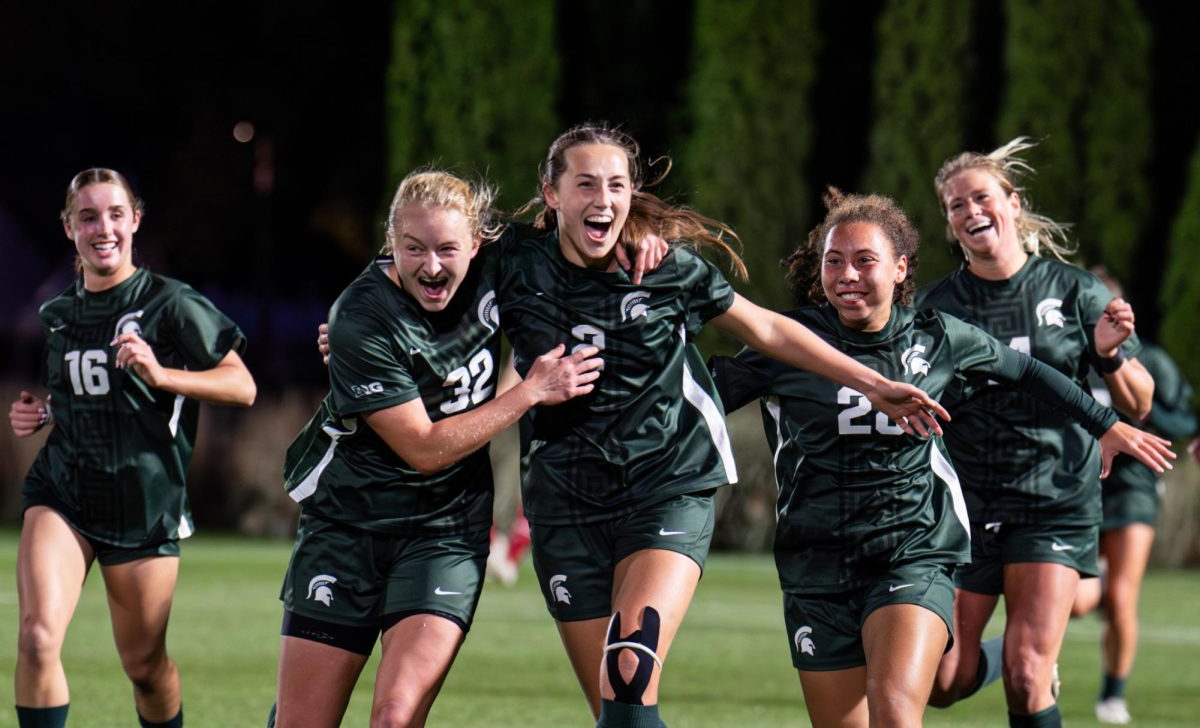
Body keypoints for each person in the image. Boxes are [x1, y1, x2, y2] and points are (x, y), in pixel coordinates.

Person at [497, 124, 951, 728]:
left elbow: (765, 329)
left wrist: (869, 382)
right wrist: (363, 320)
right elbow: (428, 257)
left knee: (627, 676)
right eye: (585, 184)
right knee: (617, 715)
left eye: (616, 185)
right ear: (552, 195)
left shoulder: (668, 269)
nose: (603, 199)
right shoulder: (511, 262)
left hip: (664, 485)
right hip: (564, 501)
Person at [707, 189, 1173, 728]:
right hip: (815, 560)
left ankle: (1025, 664)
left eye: (865, 261)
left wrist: (1106, 424)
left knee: (897, 713)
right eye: (834, 262)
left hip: (912, 548)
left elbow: (1026, 372)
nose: (847, 275)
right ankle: (1000, 658)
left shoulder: (937, 337)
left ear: (901, 268)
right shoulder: (789, 344)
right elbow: (699, 400)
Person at [274, 170, 629, 728]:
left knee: (395, 717)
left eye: (447, 249)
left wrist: (648, 234)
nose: (432, 266)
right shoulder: (362, 316)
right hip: (348, 528)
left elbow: (584, 223)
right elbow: (423, 448)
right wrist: (531, 390)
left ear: (478, 243)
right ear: (390, 243)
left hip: (443, 533)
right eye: (413, 248)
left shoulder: (501, 262)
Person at [917, 139, 1164, 728]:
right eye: (956, 205)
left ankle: (1031, 658)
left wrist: (1107, 358)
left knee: (1027, 680)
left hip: (1054, 499)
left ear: (1013, 202)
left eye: (981, 197)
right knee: (942, 681)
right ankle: (1018, 653)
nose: (970, 211)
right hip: (969, 503)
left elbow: (1142, 400)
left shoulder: (1076, 290)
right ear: (949, 224)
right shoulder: (936, 307)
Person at [8, 168, 257, 728]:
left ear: (135, 221)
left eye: (115, 214)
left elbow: (242, 386)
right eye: (89, 216)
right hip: (64, 491)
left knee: (144, 666)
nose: (104, 228)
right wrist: (45, 411)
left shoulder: (170, 302)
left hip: (143, 502)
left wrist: (163, 373)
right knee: (37, 637)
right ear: (69, 226)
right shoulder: (58, 315)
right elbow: (82, 390)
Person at [1070, 267, 1197, 725]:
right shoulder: (1063, 357)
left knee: (1122, 599)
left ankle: (1112, 695)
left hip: (1133, 488)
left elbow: (1184, 422)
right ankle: (1092, 584)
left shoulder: (1150, 362)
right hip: (1075, 487)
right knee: (1078, 599)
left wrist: (1136, 412)